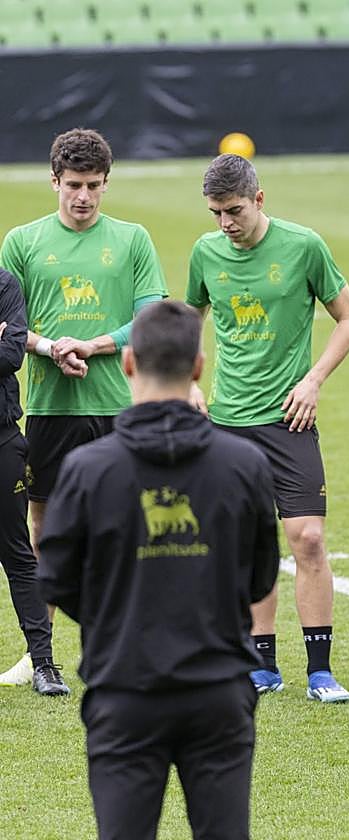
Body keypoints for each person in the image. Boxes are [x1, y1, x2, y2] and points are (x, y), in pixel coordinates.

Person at [37, 300, 280, 840]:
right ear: (198, 367)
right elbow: (261, 578)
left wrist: (117, 616)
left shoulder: (87, 469)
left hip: (125, 688)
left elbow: (54, 580)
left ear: (127, 362)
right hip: (218, 690)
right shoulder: (244, 464)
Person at [185, 153, 349, 703]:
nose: (225, 224)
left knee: (307, 537)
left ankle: (320, 670)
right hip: (227, 421)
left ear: (259, 200)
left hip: (289, 419)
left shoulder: (304, 246)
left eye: (234, 211)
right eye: (216, 213)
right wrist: (188, 383)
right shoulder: (206, 252)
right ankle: (262, 664)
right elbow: (188, 319)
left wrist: (313, 381)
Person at [0, 127, 167, 688]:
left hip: (118, 403)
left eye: (95, 185)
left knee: (126, 525)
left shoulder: (133, 239)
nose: (84, 196)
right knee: (42, 526)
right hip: (48, 407)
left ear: (106, 184)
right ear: (54, 181)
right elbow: (8, 329)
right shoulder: (22, 242)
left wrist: (90, 346)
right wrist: (50, 347)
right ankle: (38, 651)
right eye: (74, 184)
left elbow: (151, 317)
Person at [0, 267, 65, 696]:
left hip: (2, 440)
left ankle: (43, 665)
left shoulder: (4, 284)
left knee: (18, 554)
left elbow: (11, 356)